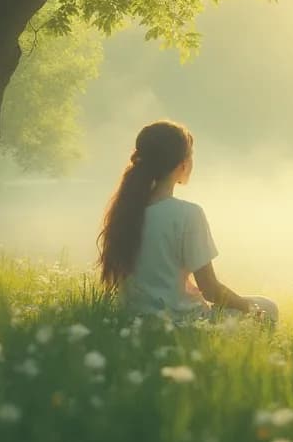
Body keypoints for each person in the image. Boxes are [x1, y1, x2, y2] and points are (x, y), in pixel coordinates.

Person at [97, 120, 277, 325]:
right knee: (268, 307)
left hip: (135, 321)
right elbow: (210, 289)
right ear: (182, 164)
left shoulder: (125, 211)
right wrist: (250, 308)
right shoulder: (188, 214)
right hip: (184, 322)